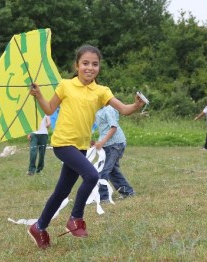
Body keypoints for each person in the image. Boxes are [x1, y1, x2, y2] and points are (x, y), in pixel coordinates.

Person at [27, 44, 146, 249]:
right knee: (91, 175)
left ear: (99, 67)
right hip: (63, 143)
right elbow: (49, 108)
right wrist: (38, 96)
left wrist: (136, 105)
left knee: (62, 191)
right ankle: (76, 218)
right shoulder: (65, 85)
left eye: (95, 64)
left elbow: (124, 109)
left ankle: (39, 227)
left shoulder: (101, 91)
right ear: (76, 66)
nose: (90, 67)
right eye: (85, 63)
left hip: (81, 146)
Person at [94, 105, 135, 202]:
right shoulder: (98, 110)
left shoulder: (107, 110)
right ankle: (128, 192)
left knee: (104, 170)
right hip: (109, 144)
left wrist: (102, 142)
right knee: (112, 171)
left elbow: (113, 127)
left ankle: (103, 197)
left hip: (114, 144)